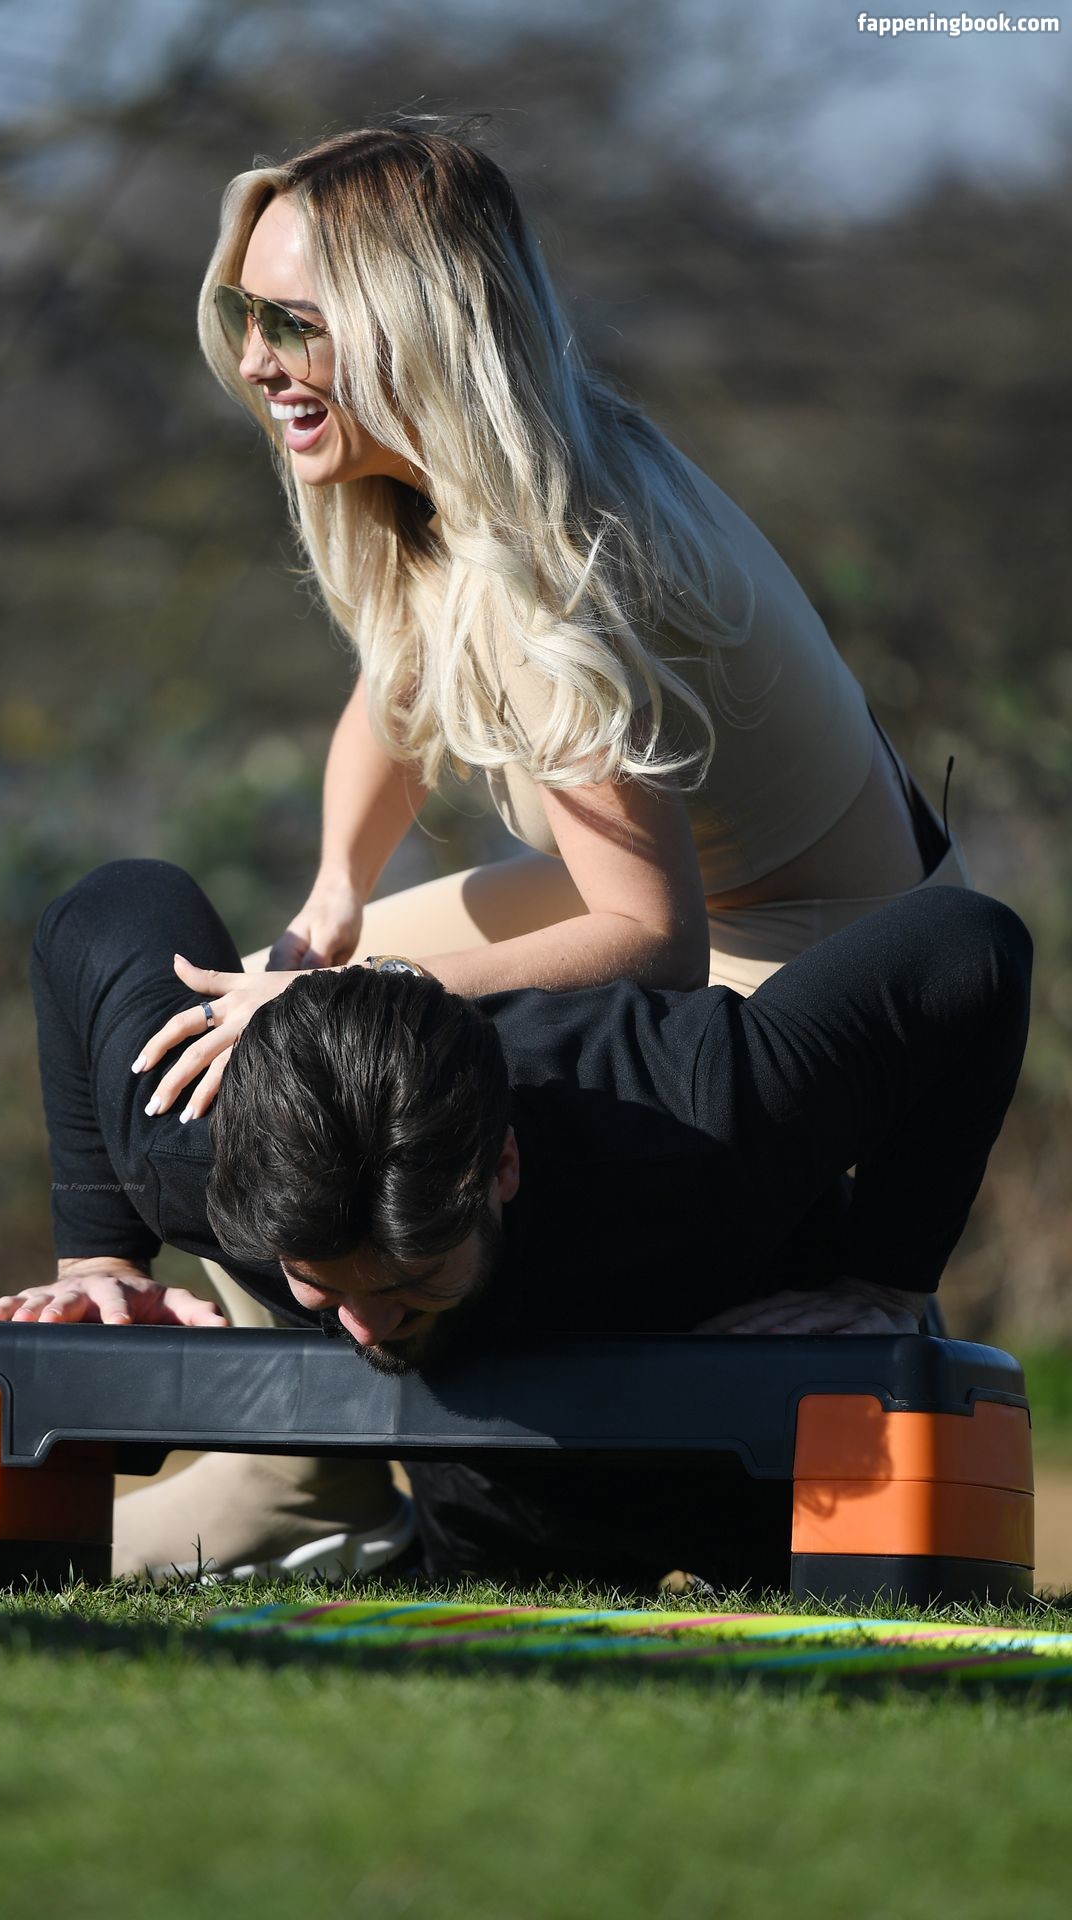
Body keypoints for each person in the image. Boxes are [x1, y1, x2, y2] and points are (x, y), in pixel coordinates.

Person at [116, 117, 975, 1572]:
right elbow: (393, 691)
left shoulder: (551, 568)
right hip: (699, 896)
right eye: (245, 315)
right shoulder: (451, 493)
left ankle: (799, 1332)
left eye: (297, 324)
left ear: (413, 327)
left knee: (343, 1056)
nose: (256, 359)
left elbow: (653, 938)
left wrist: (358, 998)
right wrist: (331, 905)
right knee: (279, 1028)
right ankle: (296, 1467)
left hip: (811, 942)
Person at [0, 859, 1032, 1591]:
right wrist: (101, 1254)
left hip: (764, 1433)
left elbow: (968, 945)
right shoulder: (191, 1148)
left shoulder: (708, 1110)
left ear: (501, 1169)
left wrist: (882, 1279)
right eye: (322, 1285)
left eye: (408, 1277)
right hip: (494, 1481)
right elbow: (110, 901)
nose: (363, 1324)